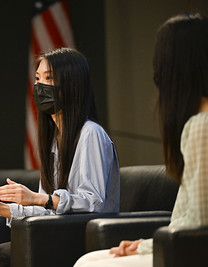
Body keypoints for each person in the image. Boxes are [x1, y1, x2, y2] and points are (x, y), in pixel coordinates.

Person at [0, 47, 120, 267]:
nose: (39, 87)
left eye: (49, 79)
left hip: (79, 241)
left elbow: (93, 202)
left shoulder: (90, 133)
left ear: (72, 85)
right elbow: (47, 210)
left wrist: (36, 197)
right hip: (54, 235)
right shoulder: (54, 139)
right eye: (37, 79)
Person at [74, 13, 208, 267]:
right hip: (176, 243)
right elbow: (186, 216)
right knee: (91, 258)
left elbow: (198, 223)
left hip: (188, 251)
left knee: (90, 263)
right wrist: (145, 244)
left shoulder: (202, 125)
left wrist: (150, 245)